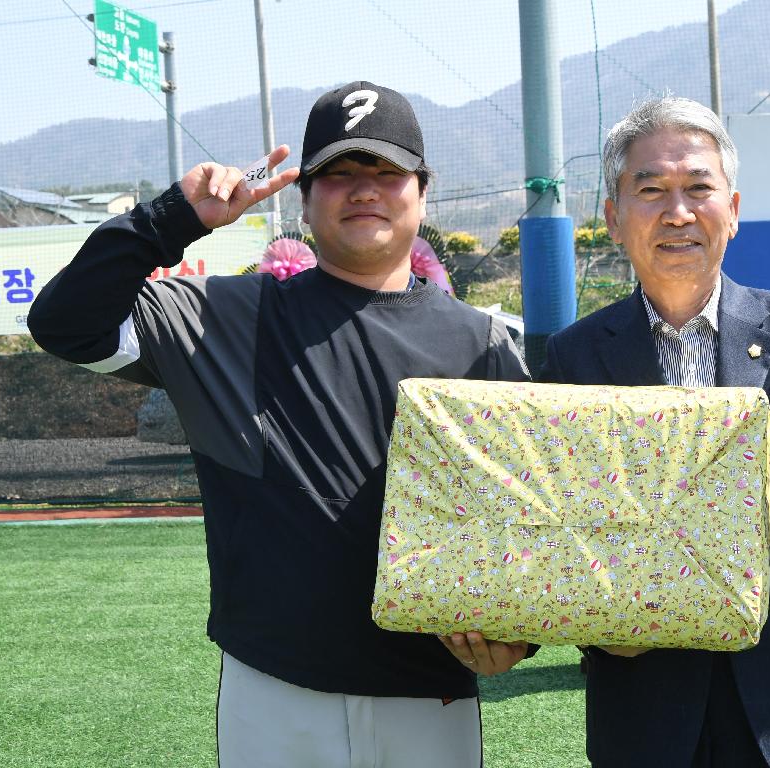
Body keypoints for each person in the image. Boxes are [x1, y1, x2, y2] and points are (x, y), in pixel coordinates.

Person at [28, 81, 530, 768]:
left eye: (386, 172)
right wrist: (171, 219)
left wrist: (516, 637)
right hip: (274, 688)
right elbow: (65, 324)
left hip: (431, 691)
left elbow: (529, 514)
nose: (364, 190)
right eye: (339, 174)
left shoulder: (485, 343)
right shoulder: (226, 315)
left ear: (421, 190)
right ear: (303, 199)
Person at [475, 96, 770, 767]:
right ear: (613, 218)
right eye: (651, 190)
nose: (678, 212)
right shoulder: (574, 356)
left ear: (735, 209)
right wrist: (525, 630)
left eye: (698, 188)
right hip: (648, 702)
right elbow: (553, 520)